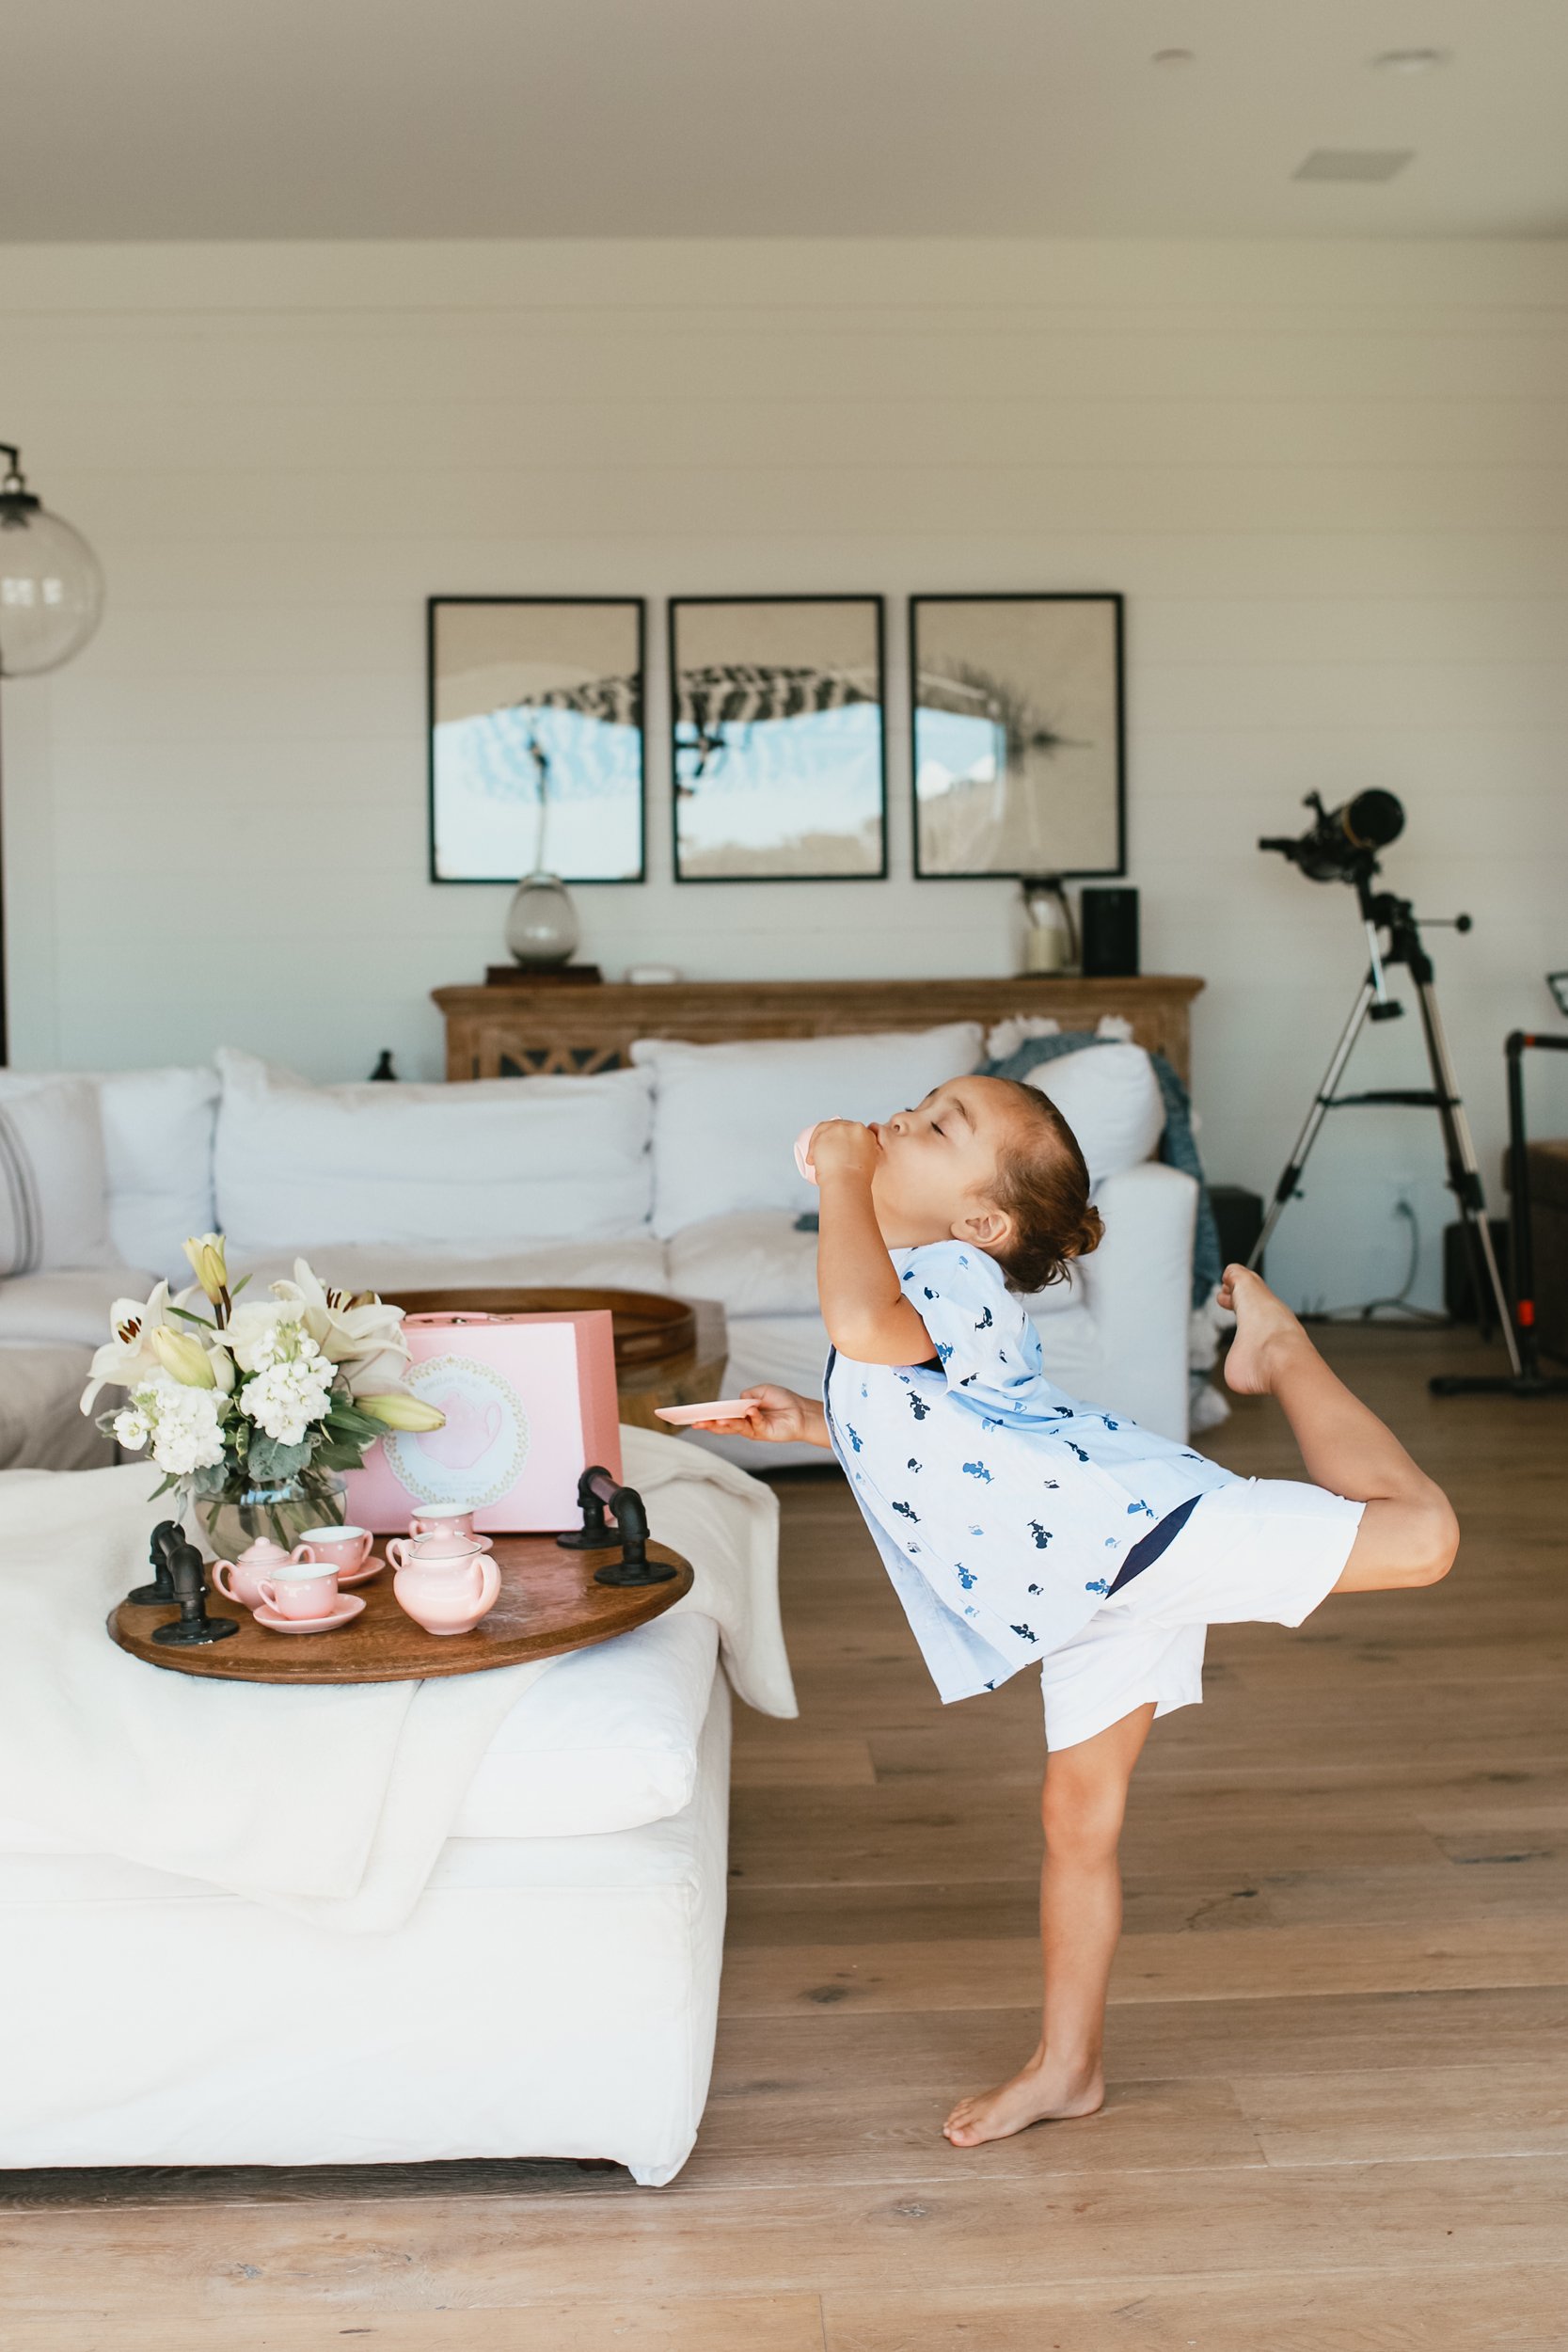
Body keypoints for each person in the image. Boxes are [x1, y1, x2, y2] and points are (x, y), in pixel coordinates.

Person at [692, 1074, 1459, 2149]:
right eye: (917, 1106)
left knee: (1420, 1537)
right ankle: (1069, 2067)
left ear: (981, 1223)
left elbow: (863, 1320)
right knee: (1076, 1821)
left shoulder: (948, 1276)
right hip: (1081, 1593)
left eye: (937, 1125)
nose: (901, 1122)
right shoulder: (919, 1277)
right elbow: (939, 1433)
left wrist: (845, 1175)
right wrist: (818, 1423)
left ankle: (1276, 1352)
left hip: (1137, 1534)